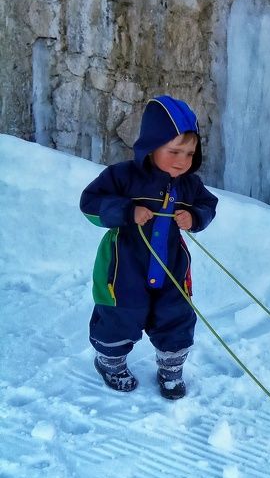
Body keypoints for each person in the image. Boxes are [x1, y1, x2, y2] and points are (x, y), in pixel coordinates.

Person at [80, 95, 218, 400]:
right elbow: (90, 203)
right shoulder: (123, 176)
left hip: (171, 267)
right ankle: (111, 362)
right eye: (174, 151)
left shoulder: (189, 185)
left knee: (176, 314)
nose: (182, 161)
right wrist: (127, 211)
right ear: (152, 145)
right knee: (120, 312)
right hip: (124, 266)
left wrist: (194, 216)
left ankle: (171, 370)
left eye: (189, 153)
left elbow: (209, 204)